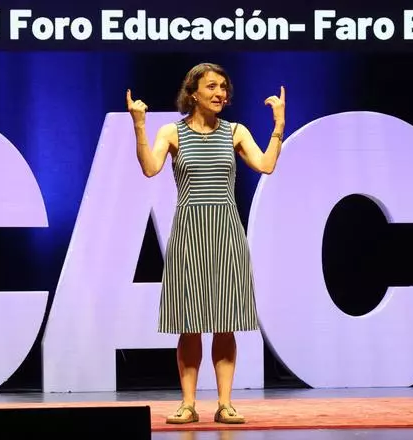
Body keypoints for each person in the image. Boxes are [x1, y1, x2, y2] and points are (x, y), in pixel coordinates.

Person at [126, 62, 285, 424]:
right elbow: (150, 168)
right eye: (212, 86)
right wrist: (138, 126)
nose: (219, 93)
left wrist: (278, 126)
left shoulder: (235, 131)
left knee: (225, 322)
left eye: (224, 88)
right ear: (193, 92)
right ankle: (187, 403)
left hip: (227, 232)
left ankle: (225, 403)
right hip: (188, 234)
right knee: (190, 322)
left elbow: (265, 165)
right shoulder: (173, 132)